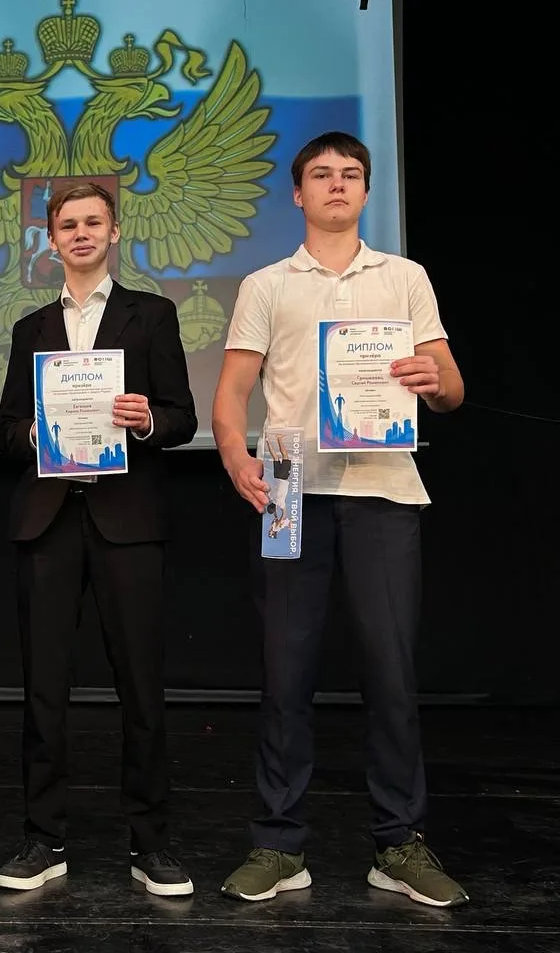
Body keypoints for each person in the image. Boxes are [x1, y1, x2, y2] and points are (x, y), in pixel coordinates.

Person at [213, 131, 468, 907]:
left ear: (365, 191)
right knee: (284, 672)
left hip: (384, 486)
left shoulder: (405, 278)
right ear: (298, 194)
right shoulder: (266, 284)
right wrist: (235, 457)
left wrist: (433, 381)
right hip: (289, 486)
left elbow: (452, 388)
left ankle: (398, 844)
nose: (335, 184)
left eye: (350, 174)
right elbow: (232, 393)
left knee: (390, 671)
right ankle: (278, 844)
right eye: (320, 174)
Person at [0, 182, 198, 895]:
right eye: (67, 225)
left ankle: (151, 844)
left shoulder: (152, 315)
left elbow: (181, 417)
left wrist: (146, 420)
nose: (80, 233)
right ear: (50, 239)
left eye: (93, 222)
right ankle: (42, 840)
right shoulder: (30, 328)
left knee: (140, 686)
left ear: (114, 232)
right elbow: (5, 431)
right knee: (43, 690)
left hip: (127, 519)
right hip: (48, 520)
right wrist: (39, 434)